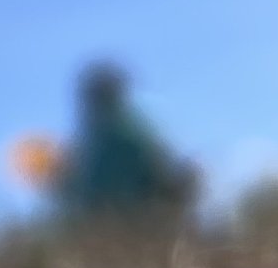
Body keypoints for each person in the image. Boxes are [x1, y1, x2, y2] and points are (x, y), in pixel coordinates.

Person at [58, 62, 197, 222]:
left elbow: (162, 176)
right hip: (107, 223)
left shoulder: (132, 135)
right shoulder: (92, 145)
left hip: (137, 221)